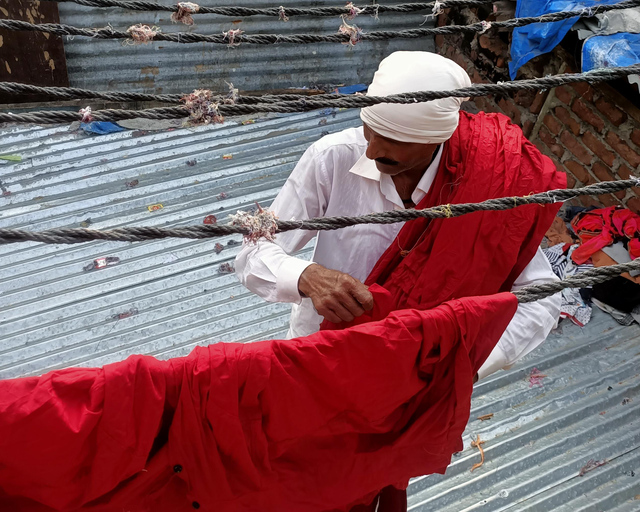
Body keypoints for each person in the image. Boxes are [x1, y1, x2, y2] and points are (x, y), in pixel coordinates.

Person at [236, 51, 564, 510]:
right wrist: (306, 275)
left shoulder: (490, 186)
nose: (371, 150)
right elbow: (251, 251)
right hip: (317, 365)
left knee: (378, 482)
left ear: (437, 140)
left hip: (414, 389)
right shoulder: (334, 157)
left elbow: (542, 299)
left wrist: (455, 365)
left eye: (392, 140)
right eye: (369, 129)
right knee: (299, 481)